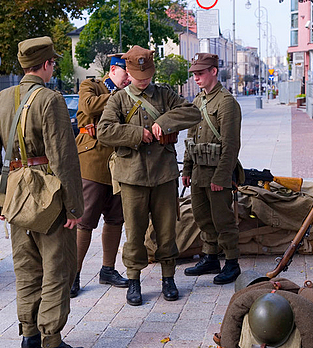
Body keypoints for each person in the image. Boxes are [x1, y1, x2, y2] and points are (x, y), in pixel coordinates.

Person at [0, 36, 83, 348]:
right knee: (57, 268)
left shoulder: (2, 99)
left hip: (15, 195)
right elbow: (64, 158)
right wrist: (74, 207)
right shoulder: (51, 100)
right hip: (48, 196)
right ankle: (51, 339)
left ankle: (29, 336)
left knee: (25, 269)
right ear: (47, 64)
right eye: (54, 63)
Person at [98, 45, 201, 306]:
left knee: (167, 230)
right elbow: (104, 131)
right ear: (128, 73)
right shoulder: (118, 99)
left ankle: (168, 278)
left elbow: (192, 112)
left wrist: (163, 123)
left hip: (164, 175)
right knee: (134, 233)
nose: (144, 82)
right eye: (138, 77)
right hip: (132, 177)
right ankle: (134, 280)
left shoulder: (165, 94)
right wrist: (136, 134)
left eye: (148, 77)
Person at [70, 54, 130, 298]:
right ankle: (73, 275)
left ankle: (108, 269)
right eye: (125, 73)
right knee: (85, 221)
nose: (129, 78)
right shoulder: (91, 85)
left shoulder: (130, 92)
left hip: (119, 163)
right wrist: (120, 94)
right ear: (113, 70)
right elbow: (89, 106)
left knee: (116, 219)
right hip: (92, 161)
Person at [182, 53, 243, 285]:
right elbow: (191, 139)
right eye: (194, 74)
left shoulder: (226, 102)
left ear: (214, 71)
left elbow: (231, 144)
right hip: (199, 173)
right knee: (202, 217)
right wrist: (186, 170)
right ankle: (210, 257)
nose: (196, 78)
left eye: (200, 73)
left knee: (223, 220)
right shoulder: (198, 101)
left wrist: (222, 176)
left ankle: (231, 263)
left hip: (217, 174)